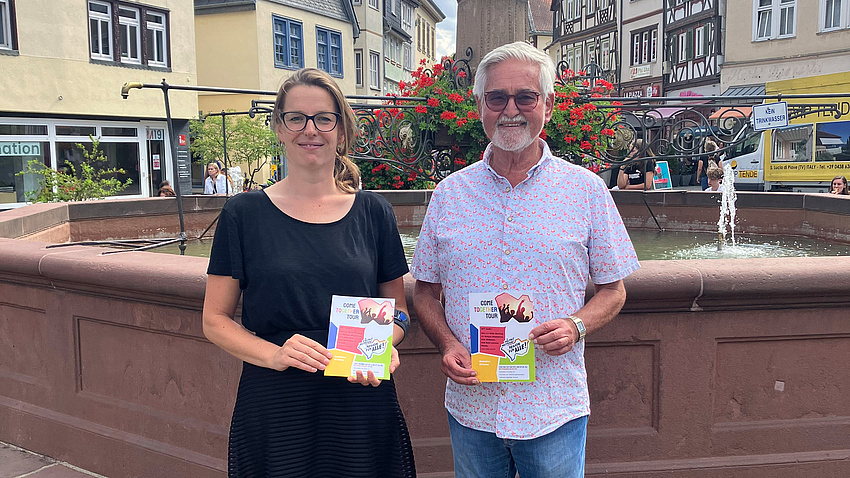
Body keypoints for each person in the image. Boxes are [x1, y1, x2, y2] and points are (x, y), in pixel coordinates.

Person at [411, 42, 640, 478]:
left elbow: (614, 290)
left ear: (548, 105)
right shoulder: (449, 194)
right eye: (497, 98)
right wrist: (447, 343)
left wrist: (577, 325)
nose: (510, 109)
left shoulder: (586, 191)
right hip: (473, 406)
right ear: (480, 105)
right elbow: (424, 292)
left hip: (552, 407)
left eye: (525, 97)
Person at [202, 68, 415, 477]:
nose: (310, 130)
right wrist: (275, 354)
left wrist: (387, 342)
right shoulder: (243, 214)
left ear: (341, 129)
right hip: (276, 401)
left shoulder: (374, 213)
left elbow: (400, 312)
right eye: (296, 118)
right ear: (279, 128)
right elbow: (214, 320)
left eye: (323, 118)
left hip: (360, 397)